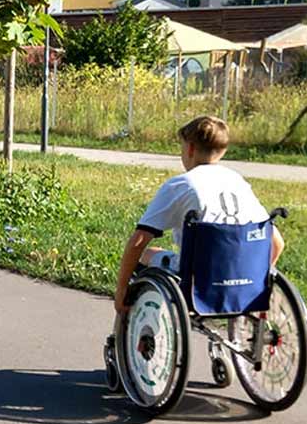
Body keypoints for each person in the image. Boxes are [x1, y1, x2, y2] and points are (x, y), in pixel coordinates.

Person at [111, 116, 284, 315]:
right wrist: (258, 280)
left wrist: (121, 289)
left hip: (199, 282)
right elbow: (277, 243)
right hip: (246, 282)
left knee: (146, 253)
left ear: (190, 149)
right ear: (223, 151)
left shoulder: (181, 185)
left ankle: (147, 330)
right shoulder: (237, 181)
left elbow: (139, 239)